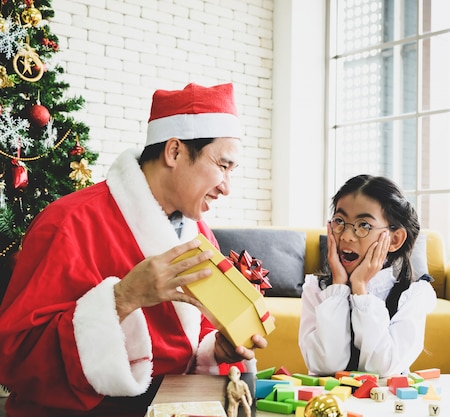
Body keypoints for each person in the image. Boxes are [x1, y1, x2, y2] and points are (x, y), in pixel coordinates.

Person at [0, 82, 267, 417]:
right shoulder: (67, 223)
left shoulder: (199, 234)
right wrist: (123, 298)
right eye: (222, 166)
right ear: (174, 152)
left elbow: (197, 333)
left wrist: (216, 350)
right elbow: (16, 360)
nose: (227, 187)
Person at [298, 174, 436, 378]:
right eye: (339, 221)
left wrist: (360, 289)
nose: (345, 236)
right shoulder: (316, 290)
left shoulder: (413, 295)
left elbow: (382, 368)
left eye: (364, 225)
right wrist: (338, 287)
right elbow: (325, 365)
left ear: (394, 239)